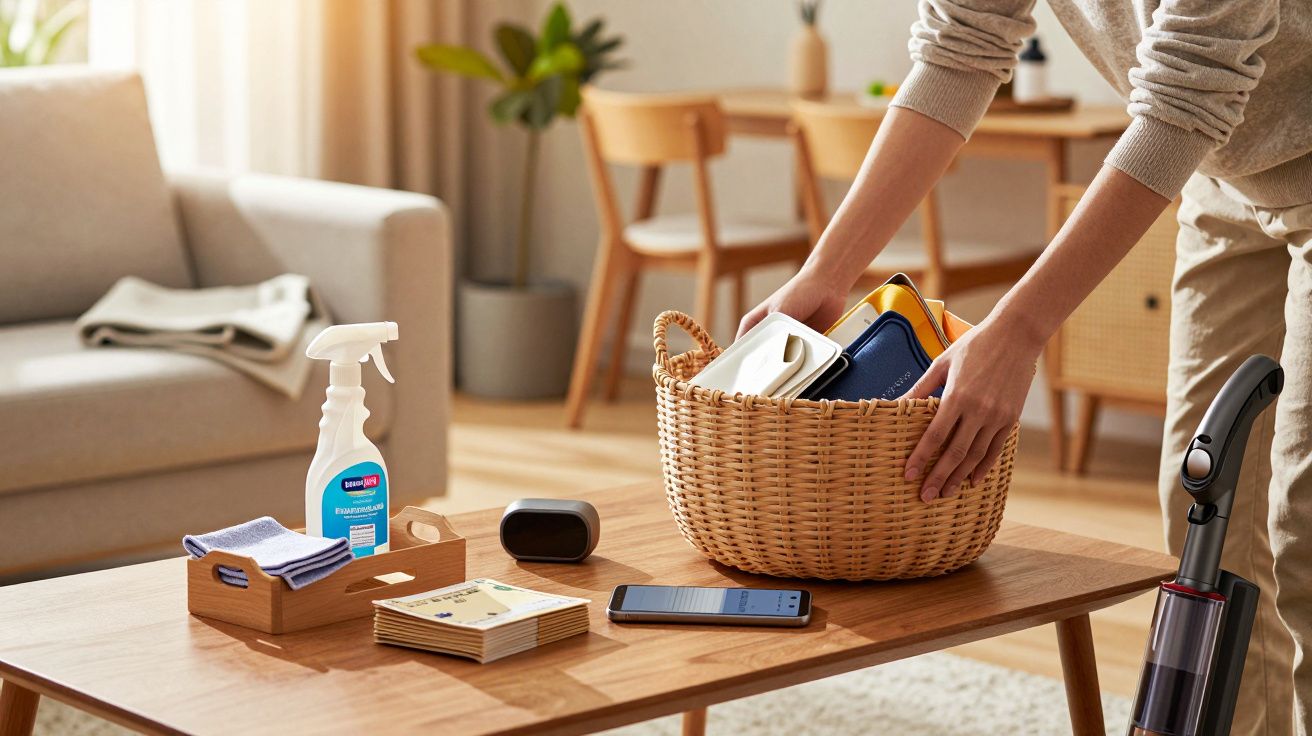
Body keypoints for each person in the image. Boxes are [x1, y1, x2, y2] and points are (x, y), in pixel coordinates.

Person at [737, 1, 1310, 733]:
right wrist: (826, 271)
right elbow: (959, 47)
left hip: (1233, 129)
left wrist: (1019, 330)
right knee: (1204, 515)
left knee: (1304, 533)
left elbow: (1187, 92)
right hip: (1224, 180)